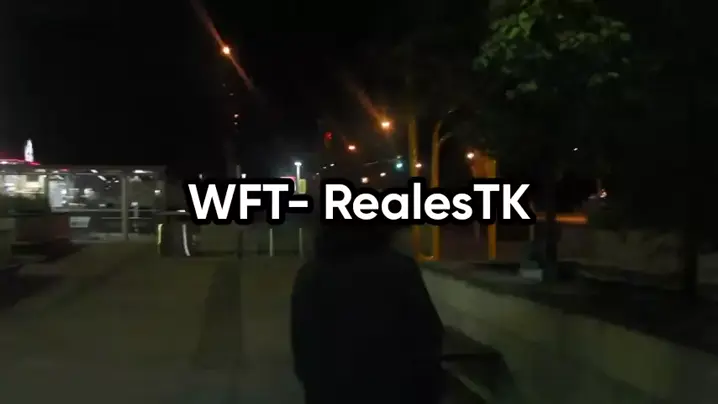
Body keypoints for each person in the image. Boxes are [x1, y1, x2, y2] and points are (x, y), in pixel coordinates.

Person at [290, 222, 445, 404]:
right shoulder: (401, 271)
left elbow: (303, 347)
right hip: (397, 392)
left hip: (332, 393)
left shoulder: (310, 276)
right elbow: (427, 337)